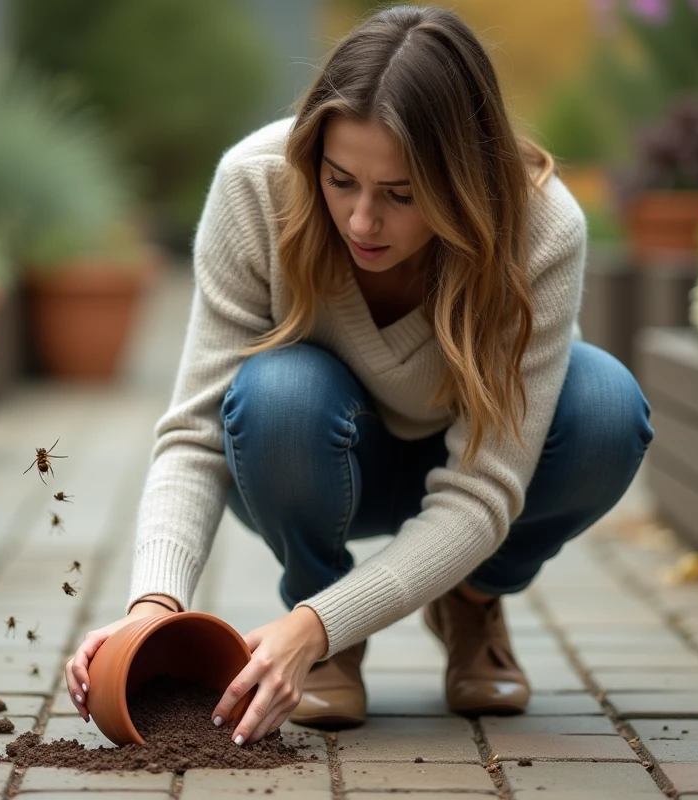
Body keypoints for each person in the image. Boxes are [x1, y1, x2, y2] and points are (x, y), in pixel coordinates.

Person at [65, 4, 653, 747]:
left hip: (474, 477)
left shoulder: (540, 228)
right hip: (311, 455)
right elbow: (195, 429)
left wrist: (311, 626)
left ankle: (470, 599)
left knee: (606, 406)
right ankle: (322, 627)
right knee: (275, 390)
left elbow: (482, 491)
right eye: (341, 181)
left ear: (464, 181)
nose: (362, 222)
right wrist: (154, 603)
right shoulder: (257, 186)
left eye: (401, 195)